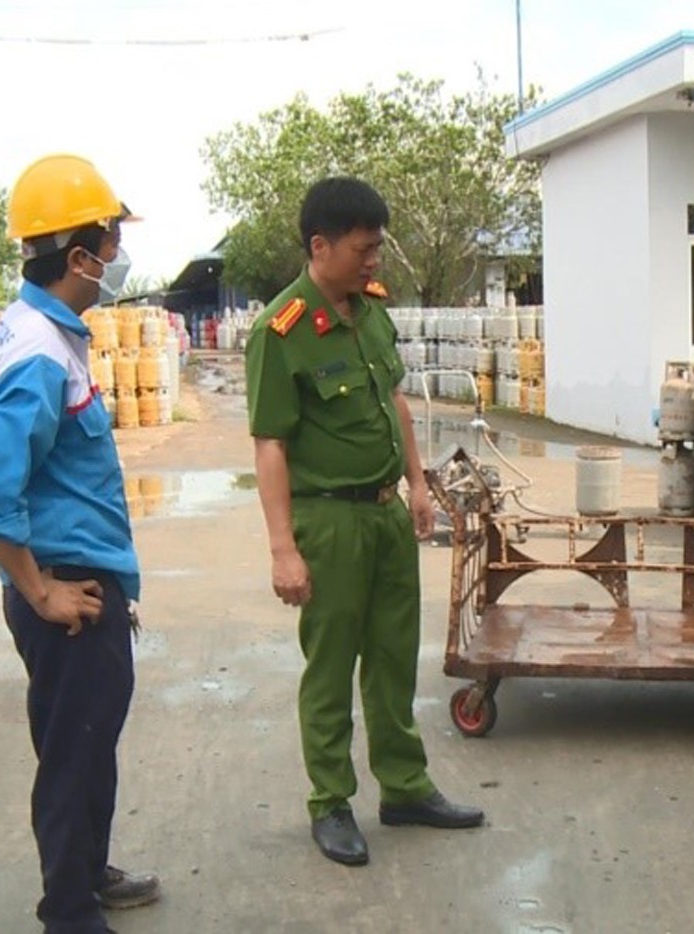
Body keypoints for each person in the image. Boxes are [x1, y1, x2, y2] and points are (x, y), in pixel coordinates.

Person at [245, 176, 484, 868]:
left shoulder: (371, 310)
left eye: (377, 247)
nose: (374, 259)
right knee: (331, 668)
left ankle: (404, 787)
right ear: (320, 247)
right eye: (363, 249)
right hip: (329, 522)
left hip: (385, 516)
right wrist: (283, 549)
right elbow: (270, 445)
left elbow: (395, 401)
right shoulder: (281, 331)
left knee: (392, 658)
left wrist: (417, 483)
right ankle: (330, 801)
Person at [0, 154, 159, 932]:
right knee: (73, 753)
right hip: (63, 583)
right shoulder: (39, 352)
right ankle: (68, 910)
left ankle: (87, 870)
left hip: (81, 575)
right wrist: (39, 589)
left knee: (89, 740)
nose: (119, 255)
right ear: (80, 257)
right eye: (112, 242)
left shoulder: (46, 333)